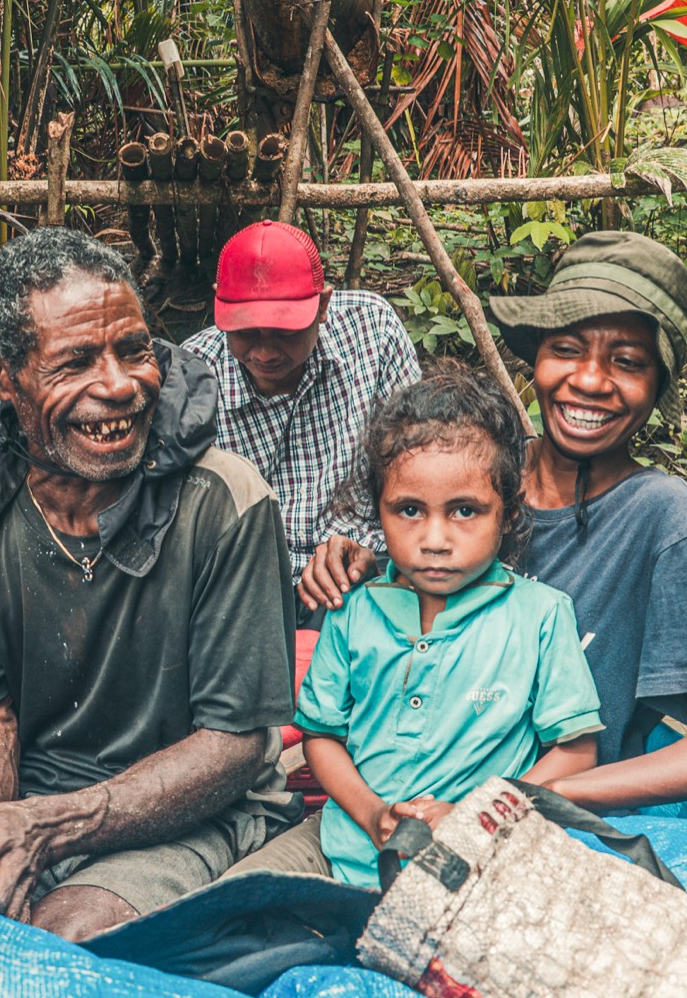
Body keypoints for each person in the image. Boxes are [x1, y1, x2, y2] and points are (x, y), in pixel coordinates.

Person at [0, 228, 298, 941]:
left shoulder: (224, 499)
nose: (120, 385)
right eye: (76, 361)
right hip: (33, 807)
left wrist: (47, 827)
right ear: (0, 375)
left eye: (134, 350)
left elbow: (238, 745)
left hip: (193, 814)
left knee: (56, 946)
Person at [299, 231, 687, 810]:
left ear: (656, 386)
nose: (588, 380)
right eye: (566, 349)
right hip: (394, 796)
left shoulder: (661, 517)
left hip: (539, 818)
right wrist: (370, 564)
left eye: (628, 362)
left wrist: (530, 796)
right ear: (535, 358)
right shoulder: (482, 477)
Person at [237, 364, 603, 885]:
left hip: (479, 854)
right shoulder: (354, 610)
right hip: (341, 841)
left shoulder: (541, 615)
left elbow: (575, 750)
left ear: (507, 512)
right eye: (409, 509)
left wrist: (475, 814)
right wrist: (370, 814)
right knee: (232, 904)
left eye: (465, 511)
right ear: (378, 512)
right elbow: (321, 735)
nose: (435, 537)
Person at [182, 220, 422, 601]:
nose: (265, 353)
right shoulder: (194, 375)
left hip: (363, 573)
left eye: (284, 332)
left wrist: (378, 556)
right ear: (219, 306)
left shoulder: (372, 334)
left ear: (323, 305)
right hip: (243, 586)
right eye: (245, 331)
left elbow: (418, 471)